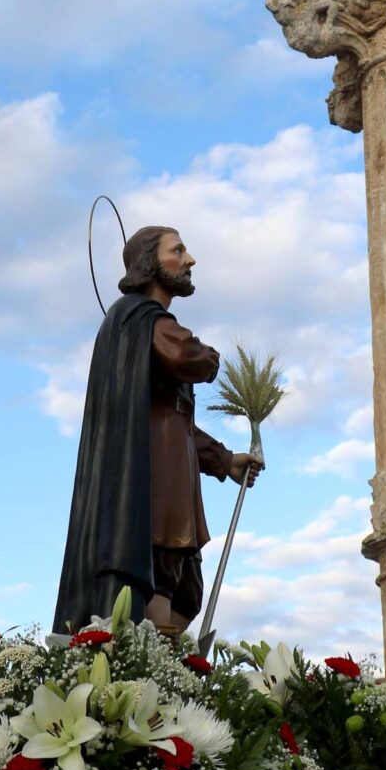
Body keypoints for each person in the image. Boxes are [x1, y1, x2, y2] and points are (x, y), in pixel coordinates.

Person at [53, 226, 260, 635]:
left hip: (172, 481)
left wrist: (224, 460)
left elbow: (172, 416)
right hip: (152, 489)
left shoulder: (143, 325)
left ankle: (162, 675)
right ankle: (150, 683)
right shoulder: (141, 319)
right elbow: (192, 358)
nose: (189, 260)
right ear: (150, 263)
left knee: (186, 591)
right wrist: (212, 356)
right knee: (159, 580)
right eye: (178, 250)